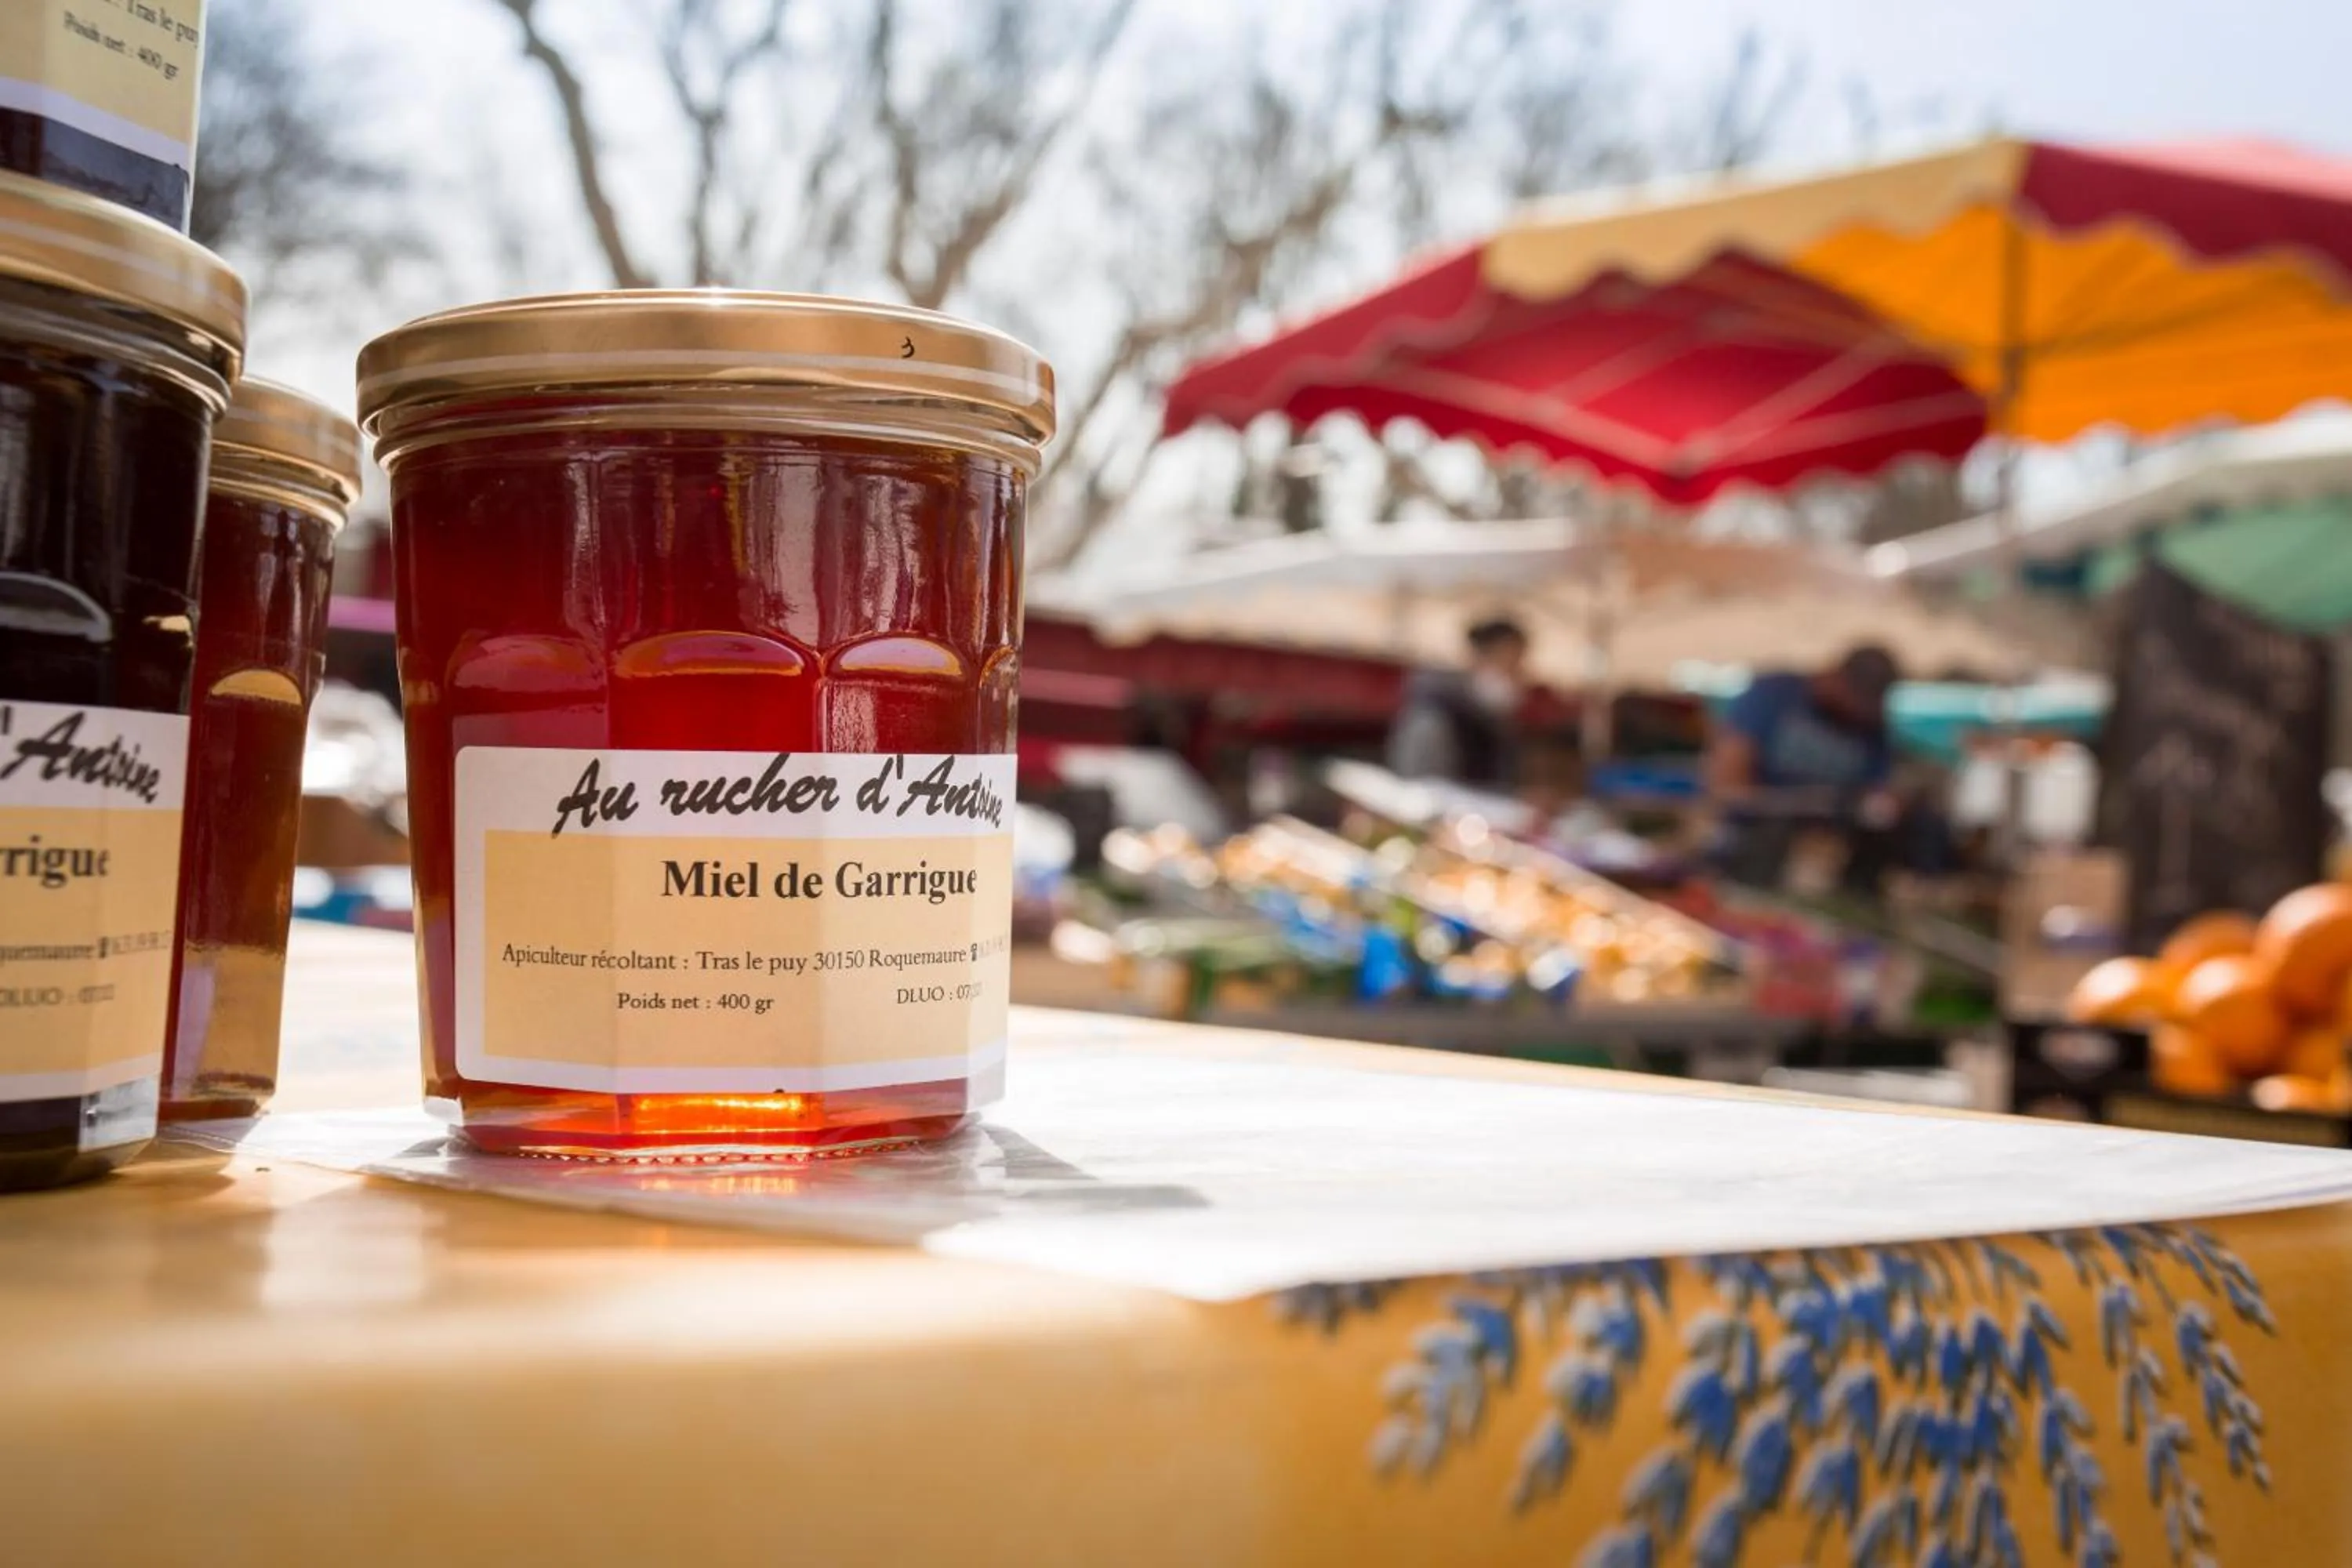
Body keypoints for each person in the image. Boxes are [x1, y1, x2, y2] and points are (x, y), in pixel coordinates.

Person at [1706, 644, 1905, 887]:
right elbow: (1727, 783)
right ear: (1836, 677)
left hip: (1822, 854)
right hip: (1746, 838)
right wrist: (1798, 804)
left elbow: (1879, 797)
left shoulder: (1873, 732)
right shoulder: (1775, 694)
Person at [1388, 616, 1529, 787]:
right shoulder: (1433, 718)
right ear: (1479, 658)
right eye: (1510, 663)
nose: (1518, 675)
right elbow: (1422, 791)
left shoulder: (1495, 722)